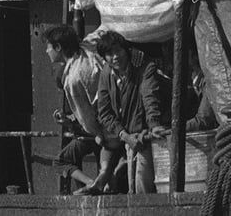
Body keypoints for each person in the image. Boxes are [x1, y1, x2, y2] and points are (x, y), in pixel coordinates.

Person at [43, 25, 122, 195]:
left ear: (58, 48)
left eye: (49, 46)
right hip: (114, 118)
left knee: (64, 160)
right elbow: (102, 29)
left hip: (103, 127)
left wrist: (98, 135)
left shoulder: (74, 79)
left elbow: (88, 118)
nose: (46, 51)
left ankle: (97, 183)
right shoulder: (86, 46)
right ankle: (105, 182)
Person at [95, 31, 170, 194]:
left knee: (143, 185)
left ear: (126, 50)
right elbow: (105, 112)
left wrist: (154, 124)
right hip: (126, 135)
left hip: (146, 134)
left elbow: (149, 96)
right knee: (126, 183)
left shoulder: (144, 67)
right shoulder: (106, 74)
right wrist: (124, 135)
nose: (115, 57)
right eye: (109, 54)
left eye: (118, 51)